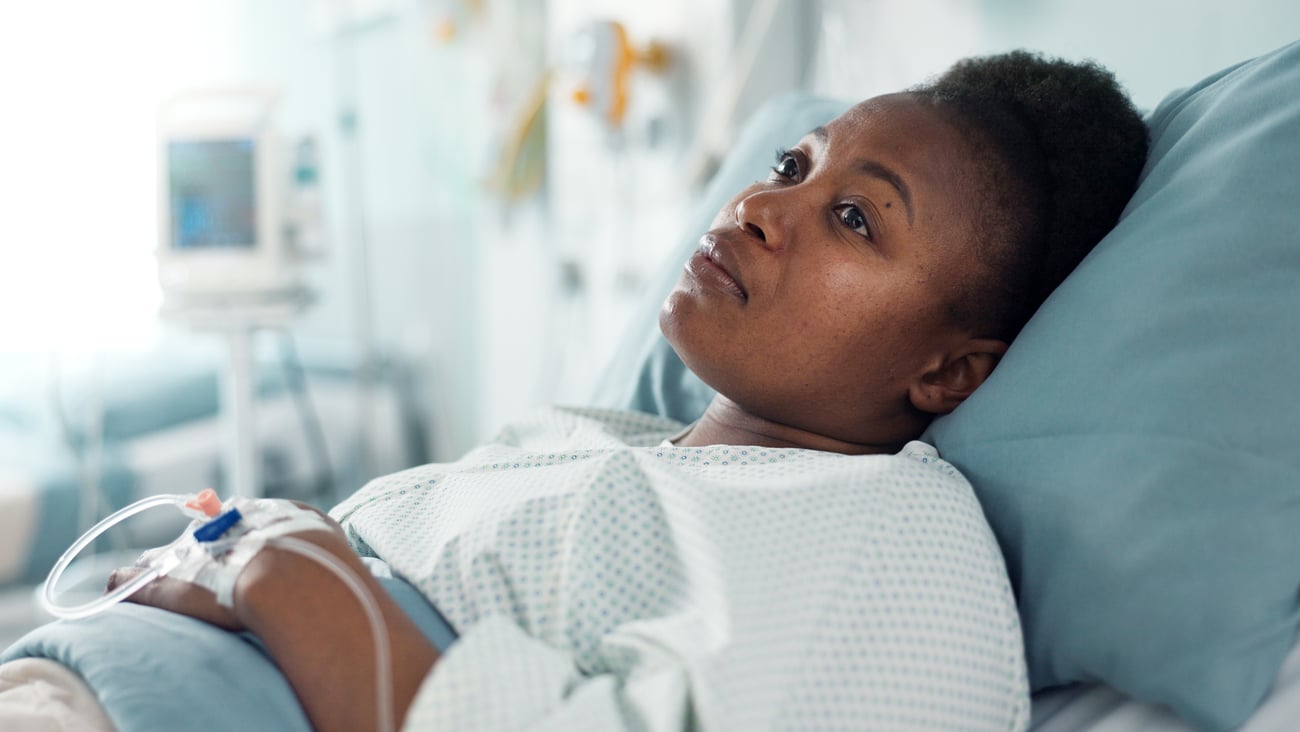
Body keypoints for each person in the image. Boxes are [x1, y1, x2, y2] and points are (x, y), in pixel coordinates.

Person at [1, 50, 1147, 731]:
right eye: (791, 164)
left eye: (854, 217)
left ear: (947, 370)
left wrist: (276, 571)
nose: (761, 205)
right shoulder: (596, 437)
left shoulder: (895, 544)